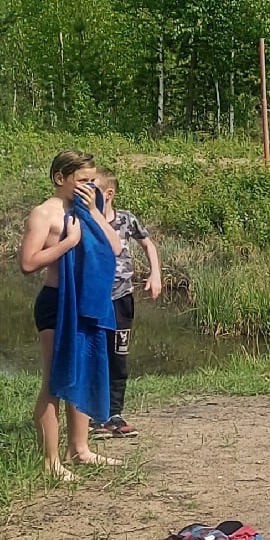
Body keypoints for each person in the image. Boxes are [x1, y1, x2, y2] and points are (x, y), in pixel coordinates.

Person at [16, 150, 123, 481]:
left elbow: (115, 247)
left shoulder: (89, 209)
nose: (88, 186)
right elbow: (28, 264)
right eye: (82, 181)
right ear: (60, 178)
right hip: (56, 303)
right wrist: (69, 242)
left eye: (92, 181)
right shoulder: (43, 214)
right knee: (55, 381)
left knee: (83, 372)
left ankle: (80, 449)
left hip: (86, 304)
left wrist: (93, 211)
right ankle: (50, 463)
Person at [96, 173, 162, 439]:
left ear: (108, 194)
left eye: (93, 190)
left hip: (122, 298)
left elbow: (148, 244)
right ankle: (94, 416)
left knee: (118, 356)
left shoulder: (126, 219)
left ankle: (115, 414)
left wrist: (155, 274)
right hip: (93, 299)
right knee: (95, 356)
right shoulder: (86, 220)